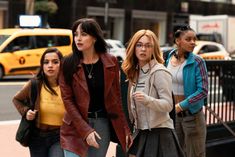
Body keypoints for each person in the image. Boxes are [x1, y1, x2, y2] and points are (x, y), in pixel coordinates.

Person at [59, 18, 132, 157]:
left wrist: (125, 128)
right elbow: (67, 100)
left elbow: (116, 99)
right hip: (74, 126)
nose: (78, 39)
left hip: (101, 124)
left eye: (84, 34)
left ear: (94, 38)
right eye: (76, 34)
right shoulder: (67, 63)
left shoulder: (111, 61)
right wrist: (85, 130)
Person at [121, 29, 185, 157]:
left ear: (153, 49)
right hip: (141, 132)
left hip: (160, 133)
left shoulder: (160, 72)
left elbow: (168, 105)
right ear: (133, 48)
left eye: (148, 45)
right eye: (139, 45)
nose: (143, 49)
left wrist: (147, 100)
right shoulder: (135, 73)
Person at [165, 25, 208, 157]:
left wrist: (180, 106)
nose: (193, 42)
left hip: (192, 117)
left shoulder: (197, 61)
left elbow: (203, 91)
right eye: (188, 39)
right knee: (174, 153)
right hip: (172, 117)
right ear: (178, 40)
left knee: (195, 154)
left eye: (194, 39)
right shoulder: (168, 57)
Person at [12, 47, 65, 157]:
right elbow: (17, 99)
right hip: (37, 137)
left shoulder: (68, 86)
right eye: (46, 62)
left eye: (55, 62)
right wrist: (26, 112)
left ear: (61, 64)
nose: (50, 65)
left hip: (59, 137)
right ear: (42, 65)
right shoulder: (35, 84)